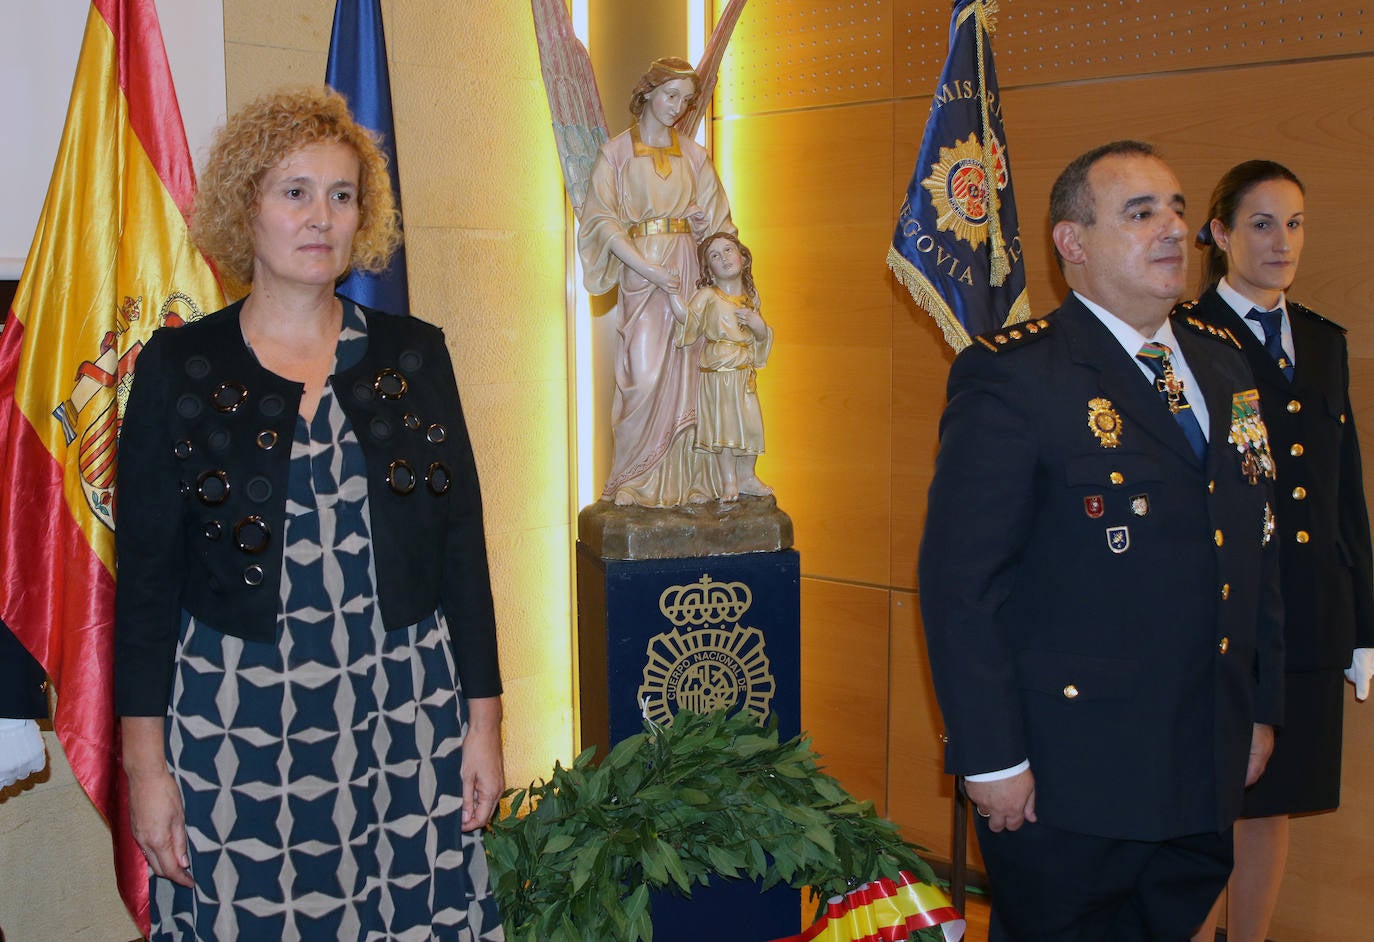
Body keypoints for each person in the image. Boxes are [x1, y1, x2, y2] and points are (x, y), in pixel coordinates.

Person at [114, 87, 505, 941]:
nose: (321, 216)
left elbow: (462, 552)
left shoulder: (413, 354)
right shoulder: (180, 368)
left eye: (341, 193)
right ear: (243, 206)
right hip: (239, 720)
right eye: (294, 191)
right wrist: (145, 768)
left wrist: (484, 724)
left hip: (405, 707)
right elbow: (143, 586)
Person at [918, 140, 1285, 940]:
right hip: (1071, 779)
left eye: (1178, 208)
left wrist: (1260, 709)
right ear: (1072, 244)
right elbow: (961, 585)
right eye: (1139, 211)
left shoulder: (1225, 367)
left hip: (1199, 761)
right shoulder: (1015, 377)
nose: (1171, 228)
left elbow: (1259, 548)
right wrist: (990, 759)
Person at [1182, 160, 1374, 942]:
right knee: (1206, 808)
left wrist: (1362, 621)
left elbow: (1344, 492)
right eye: (1261, 224)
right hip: (1224, 617)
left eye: (1294, 223)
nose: (1281, 241)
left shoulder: (1323, 342)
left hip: (1307, 617)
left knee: (1274, 804)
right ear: (1220, 235)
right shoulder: (1185, 340)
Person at [578, 56, 735, 507]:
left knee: (696, 374)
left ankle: (692, 482)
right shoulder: (616, 154)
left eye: (686, 101)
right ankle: (633, 480)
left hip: (687, 271)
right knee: (642, 376)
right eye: (671, 96)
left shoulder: (695, 156)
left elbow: (722, 227)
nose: (678, 108)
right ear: (647, 92)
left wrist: (708, 233)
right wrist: (649, 271)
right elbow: (601, 223)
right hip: (643, 273)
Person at [673, 232, 772, 501]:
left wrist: (757, 324)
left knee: (750, 424)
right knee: (724, 427)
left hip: (743, 372)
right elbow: (688, 323)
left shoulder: (750, 296)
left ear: (742, 255)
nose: (724, 258)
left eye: (728, 250)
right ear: (709, 270)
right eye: (715, 256)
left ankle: (747, 476)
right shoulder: (707, 296)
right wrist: (671, 295)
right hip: (718, 373)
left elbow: (762, 337)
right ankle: (729, 481)